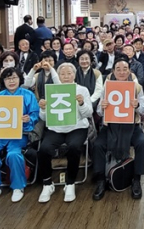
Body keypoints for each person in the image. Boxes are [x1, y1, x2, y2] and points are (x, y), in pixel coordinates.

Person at [0, 68, 39, 206]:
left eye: (14, 78)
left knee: (14, 154)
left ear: (20, 79)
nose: (11, 81)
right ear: (3, 81)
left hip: (18, 134)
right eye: (8, 78)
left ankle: (18, 186)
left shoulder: (28, 95)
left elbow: (35, 115)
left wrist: (28, 119)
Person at [92, 58, 144, 201]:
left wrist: (136, 106)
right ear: (113, 71)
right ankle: (100, 180)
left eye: (125, 69)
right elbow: (99, 112)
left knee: (142, 143)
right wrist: (102, 106)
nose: (122, 72)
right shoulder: (108, 87)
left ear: (129, 70)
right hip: (111, 126)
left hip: (131, 126)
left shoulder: (136, 87)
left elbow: (143, 109)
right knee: (98, 145)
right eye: (118, 69)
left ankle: (136, 179)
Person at [37, 63, 93, 203]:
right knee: (43, 149)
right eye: (63, 74)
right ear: (58, 75)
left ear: (74, 75)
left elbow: (89, 113)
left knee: (74, 147)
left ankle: (70, 183)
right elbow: (44, 118)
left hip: (77, 127)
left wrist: (81, 104)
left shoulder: (82, 90)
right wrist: (43, 109)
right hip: (56, 128)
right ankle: (47, 183)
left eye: (69, 74)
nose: (66, 77)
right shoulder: (52, 90)